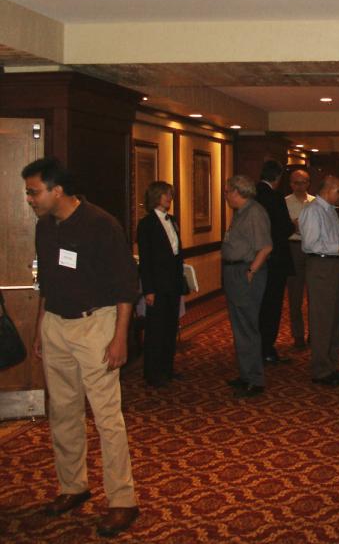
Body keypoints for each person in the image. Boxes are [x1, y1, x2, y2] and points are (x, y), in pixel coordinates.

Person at [22, 157, 139, 537]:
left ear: (57, 190)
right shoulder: (44, 226)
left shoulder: (101, 224)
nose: (30, 199)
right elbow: (47, 282)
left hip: (96, 325)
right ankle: (73, 486)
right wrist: (41, 328)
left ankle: (122, 501)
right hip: (56, 324)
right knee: (63, 413)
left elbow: (126, 287)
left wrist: (119, 337)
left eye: (34, 192)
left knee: (107, 417)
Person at [299, 176, 339, 387]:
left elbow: (331, 240)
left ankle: (331, 364)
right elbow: (310, 244)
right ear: (327, 190)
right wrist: (337, 248)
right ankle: (321, 370)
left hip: (335, 265)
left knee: (335, 317)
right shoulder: (312, 211)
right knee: (322, 319)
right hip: (321, 266)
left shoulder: (330, 210)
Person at [222, 175, 273, 398]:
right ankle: (246, 374)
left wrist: (251, 272)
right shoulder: (240, 212)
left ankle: (255, 379)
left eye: (227, 191)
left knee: (247, 327)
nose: (225, 196)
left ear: (237, 191)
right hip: (235, 272)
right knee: (239, 326)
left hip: (246, 273)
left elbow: (266, 247)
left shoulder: (254, 212)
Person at [136, 181, 185, 388]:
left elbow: (177, 254)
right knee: (155, 329)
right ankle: (153, 373)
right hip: (156, 285)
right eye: (166, 194)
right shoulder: (146, 224)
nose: (170, 198)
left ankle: (167, 369)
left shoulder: (172, 220)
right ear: (156, 196)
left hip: (173, 284)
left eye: (170, 194)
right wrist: (148, 289)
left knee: (170, 328)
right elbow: (146, 260)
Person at [255, 160, 294, 365]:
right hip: (275, 259)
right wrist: (293, 225)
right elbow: (283, 228)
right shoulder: (275, 197)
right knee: (272, 305)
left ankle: (256, 347)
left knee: (258, 305)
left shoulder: (252, 195)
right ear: (278, 177)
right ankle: (267, 348)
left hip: (255, 259)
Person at [285, 168, 315, 350]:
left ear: (308, 183)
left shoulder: (315, 202)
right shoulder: (285, 202)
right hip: (293, 248)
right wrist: (293, 226)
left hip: (312, 249)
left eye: (303, 183)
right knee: (295, 296)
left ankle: (314, 333)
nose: (299, 186)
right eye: (296, 183)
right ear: (291, 184)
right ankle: (297, 335)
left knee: (314, 295)